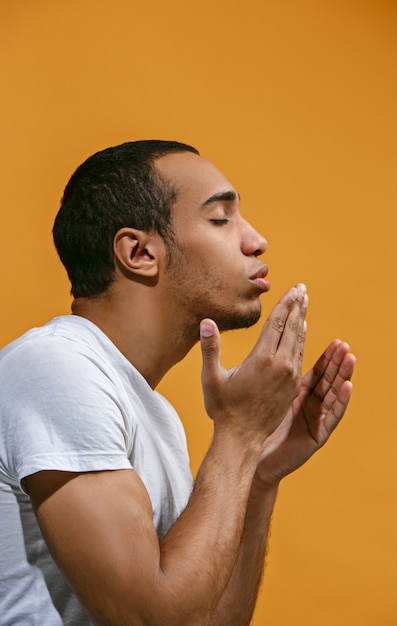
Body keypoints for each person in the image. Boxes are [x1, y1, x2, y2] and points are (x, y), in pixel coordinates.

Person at [0, 140, 355, 626]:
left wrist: (257, 472)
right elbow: (153, 620)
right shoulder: (54, 365)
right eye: (220, 218)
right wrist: (239, 434)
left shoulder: (155, 414)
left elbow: (207, 620)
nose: (256, 241)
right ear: (139, 252)